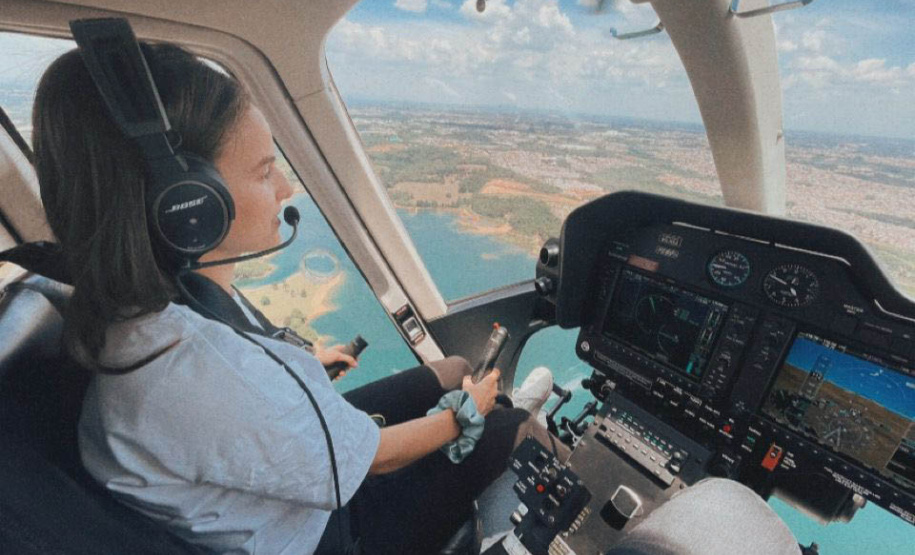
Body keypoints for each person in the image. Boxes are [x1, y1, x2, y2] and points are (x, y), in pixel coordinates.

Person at [32, 42, 561, 554]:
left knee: (453, 369)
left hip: (282, 484)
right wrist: (463, 416)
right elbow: (370, 460)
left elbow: (235, 397)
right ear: (188, 207)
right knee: (509, 427)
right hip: (329, 532)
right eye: (265, 171)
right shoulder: (189, 369)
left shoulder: (158, 301)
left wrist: (305, 363)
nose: (286, 187)